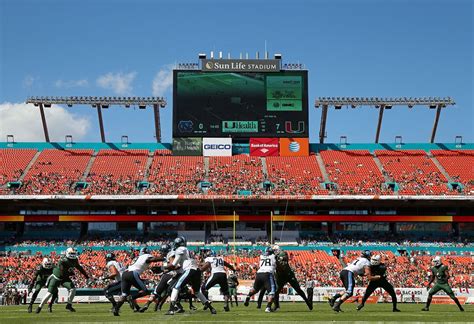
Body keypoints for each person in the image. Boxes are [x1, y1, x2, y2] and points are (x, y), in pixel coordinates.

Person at [164, 236, 217, 315]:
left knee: (175, 288)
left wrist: (163, 266)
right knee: (197, 292)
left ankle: (171, 309)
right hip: (196, 271)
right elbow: (178, 264)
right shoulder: (186, 250)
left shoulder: (180, 249)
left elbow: (174, 264)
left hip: (189, 270)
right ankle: (211, 308)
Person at [112, 247, 163, 316]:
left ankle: (116, 309)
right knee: (145, 291)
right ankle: (131, 298)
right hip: (133, 273)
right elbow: (153, 259)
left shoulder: (138, 257)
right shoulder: (146, 256)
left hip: (125, 274)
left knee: (124, 294)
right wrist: (163, 258)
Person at [36, 248, 89, 313]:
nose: (72, 255)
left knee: (73, 289)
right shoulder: (63, 259)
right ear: (67, 253)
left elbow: (80, 268)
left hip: (64, 278)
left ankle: (69, 305)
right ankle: (40, 307)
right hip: (56, 277)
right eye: (71, 253)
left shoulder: (75, 260)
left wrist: (86, 276)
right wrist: (68, 272)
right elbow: (61, 268)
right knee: (49, 293)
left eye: (73, 253)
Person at [139, 244, 176, 313]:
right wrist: (162, 268)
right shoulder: (170, 255)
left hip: (168, 275)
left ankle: (147, 304)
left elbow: (172, 265)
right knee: (167, 293)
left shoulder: (170, 254)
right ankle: (159, 306)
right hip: (173, 276)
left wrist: (161, 268)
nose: (162, 253)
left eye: (162, 251)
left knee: (157, 292)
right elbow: (168, 266)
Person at [244, 247, 277, 313]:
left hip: (259, 274)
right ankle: (268, 307)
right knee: (272, 292)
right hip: (267, 274)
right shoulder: (273, 256)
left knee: (255, 289)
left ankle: (248, 295)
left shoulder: (261, 257)